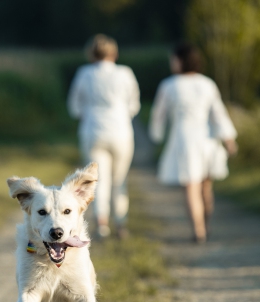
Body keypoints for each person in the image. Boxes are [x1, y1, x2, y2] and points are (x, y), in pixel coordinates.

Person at [149, 42, 237, 243]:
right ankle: (205, 224)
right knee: (206, 187)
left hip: (184, 140)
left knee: (191, 187)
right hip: (207, 140)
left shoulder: (169, 85)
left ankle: (198, 231)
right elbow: (219, 114)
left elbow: (158, 116)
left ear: (180, 61)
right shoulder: (207, 84)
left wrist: (157, 136)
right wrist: (229, 139)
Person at [67, 34, 140, 238]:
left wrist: (87, 114)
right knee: (119, 179)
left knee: (96, 181)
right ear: (114, 53)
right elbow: (134, 104)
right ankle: (121, 223)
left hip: (93, 132)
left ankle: (101, 223)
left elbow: (74, 107)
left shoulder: (84, 73)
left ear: (91, 54)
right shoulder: (125, 73)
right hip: (121, 133)